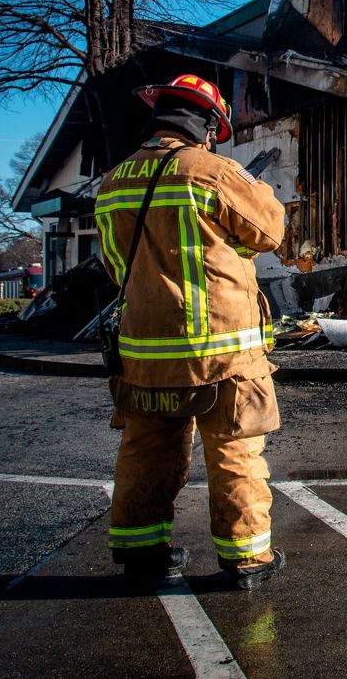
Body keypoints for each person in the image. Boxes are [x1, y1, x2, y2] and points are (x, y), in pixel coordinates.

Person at [95, 73, 287, 590]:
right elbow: (270, 230)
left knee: (147, 448)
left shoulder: (112, 183)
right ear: (207, 126)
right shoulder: (212, 171)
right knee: (234, 450)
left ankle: (141, 552)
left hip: (144, 350)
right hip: (221, 351)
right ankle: (247, 559)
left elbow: (117, 266)